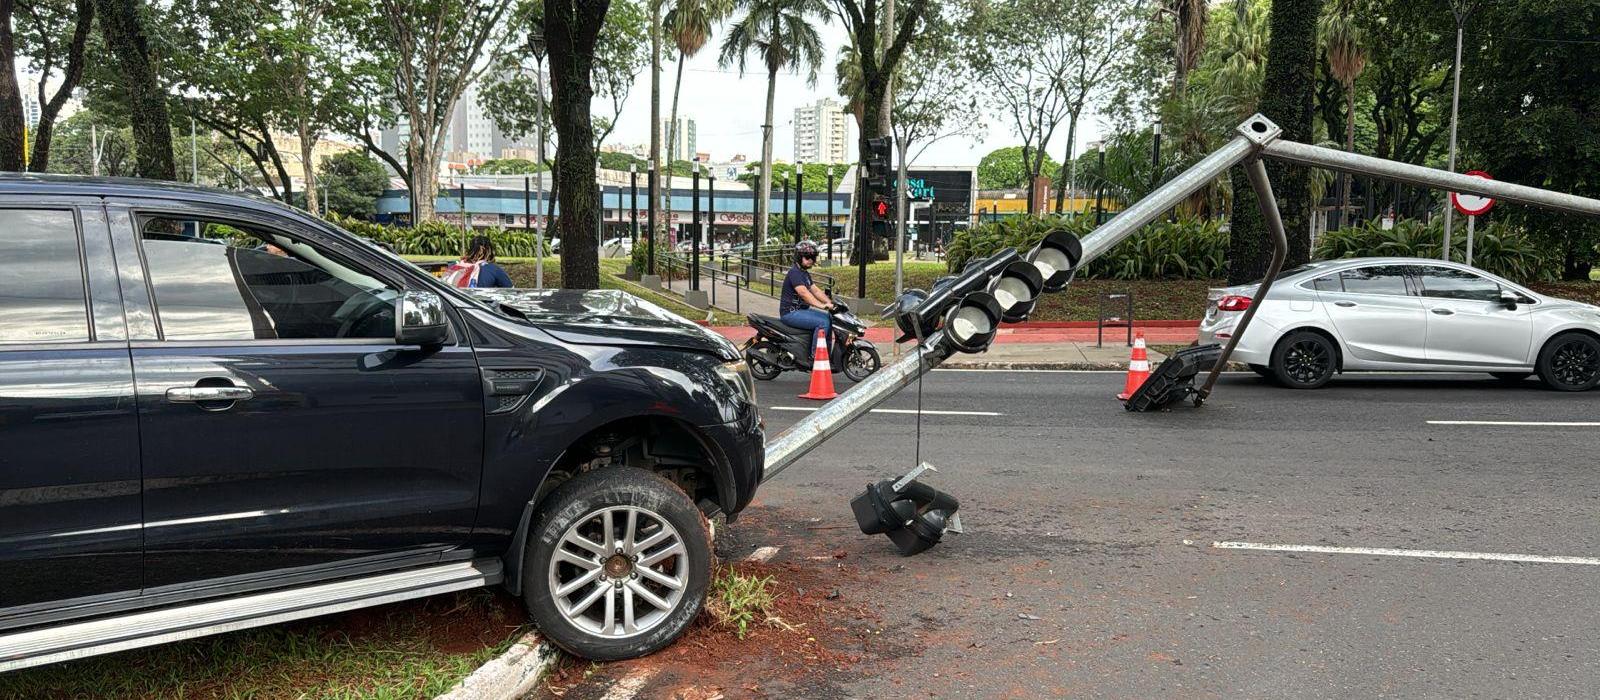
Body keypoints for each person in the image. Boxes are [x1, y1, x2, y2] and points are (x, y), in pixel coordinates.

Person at [779, 240, 834, 359]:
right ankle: (816, 357)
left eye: (813, 258)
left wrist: (830, 303)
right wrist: (821, 305)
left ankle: (826, 353)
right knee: (823, 322)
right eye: (808, 257)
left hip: (801, 311)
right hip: (790, 313)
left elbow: (815, 290)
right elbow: (803, 293)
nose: (811, 260)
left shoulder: (804, 273)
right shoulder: (795, 272)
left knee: (829, 318)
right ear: (799, 257)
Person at [442, 236, 514, 288]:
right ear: (489, 251)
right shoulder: (493, 269)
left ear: (470, 250)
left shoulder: (454, 265)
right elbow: (511, 292)